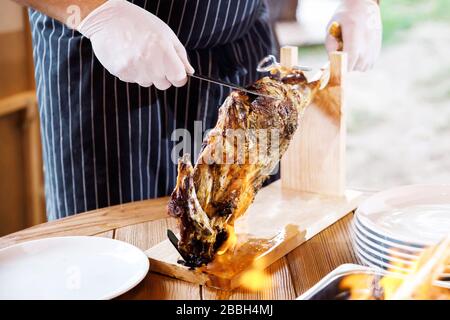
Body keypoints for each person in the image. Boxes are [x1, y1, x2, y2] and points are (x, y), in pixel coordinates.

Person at [13, 0, 382, 220]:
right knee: (108, 263)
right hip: (105, 58)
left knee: (249, 243)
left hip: (240, 50)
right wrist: (95, 13)